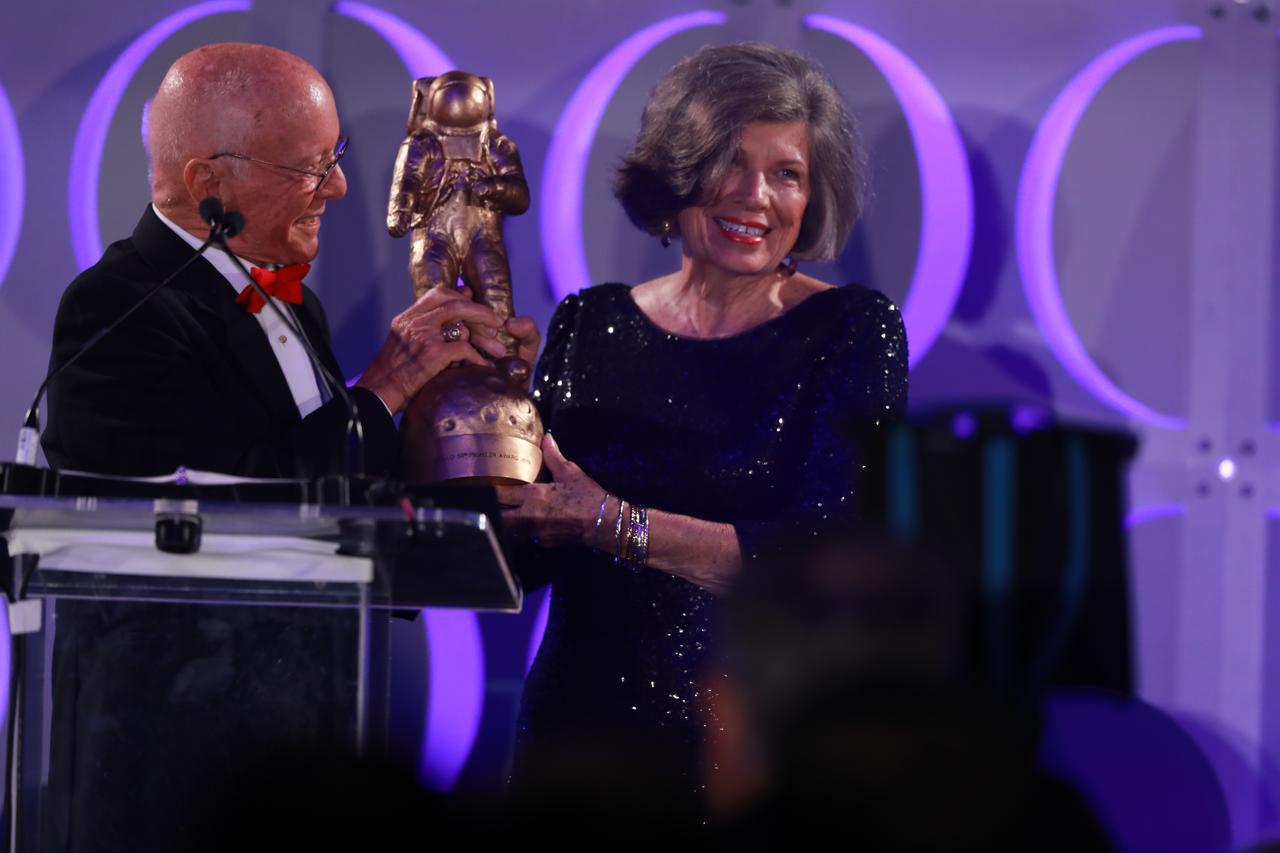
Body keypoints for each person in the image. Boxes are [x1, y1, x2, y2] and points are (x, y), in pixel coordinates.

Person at [35, 43, 539, 852]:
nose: (339, 186)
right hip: (173, 769)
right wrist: (386, 383)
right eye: (314, 166)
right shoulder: (116, 310)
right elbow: (212, 520)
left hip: (309, 737)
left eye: (335, 157)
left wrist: (466, 420)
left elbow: (340, 490)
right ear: (209, 185)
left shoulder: (292, 305)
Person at [499, 42, 908, 811]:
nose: (755, 196)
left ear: (813, 196)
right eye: (729, 162)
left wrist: (614, 523)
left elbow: (821, 557)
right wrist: (478, 401)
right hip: (580, 741)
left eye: (786, 172)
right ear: (676, 171)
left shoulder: (851, 331)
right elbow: (522, 548)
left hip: (755, 745)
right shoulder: (589, 323)